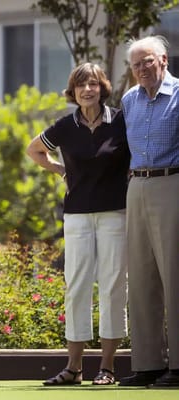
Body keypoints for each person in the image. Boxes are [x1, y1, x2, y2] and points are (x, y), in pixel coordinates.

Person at [26, 63, 129, 386]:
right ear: (73, 92)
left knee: (113, 285)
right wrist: (60, 170)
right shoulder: (65, 126)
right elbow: (35, 150)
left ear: (102, 88)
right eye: (81, 85)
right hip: (77, 215)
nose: (88, 90)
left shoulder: (121, 121)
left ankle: (108, 368)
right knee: (77, 286)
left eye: (94, 84)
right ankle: (74, 368)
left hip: (115, 213)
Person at [118, 35, 179, 388]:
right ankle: (148, 363)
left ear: (164, 60)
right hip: (136, 186)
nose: (142, 69)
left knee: (174, 276)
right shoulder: (129, 100)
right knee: (140, 278)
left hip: (172, 183)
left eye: (148, 61)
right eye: (136, 64)